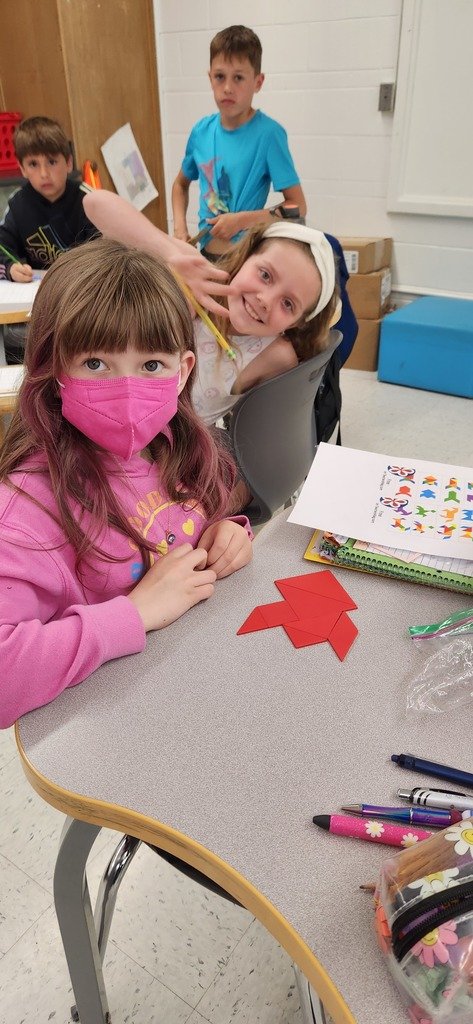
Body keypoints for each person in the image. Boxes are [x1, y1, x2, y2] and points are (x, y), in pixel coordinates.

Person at [0, 238, 252, 729]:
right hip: (114, 729)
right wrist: (132, 615)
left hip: (198, 694)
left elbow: (188, 525)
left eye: (151, 365)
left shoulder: (175, 446)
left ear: (182, 370)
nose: (127, 390)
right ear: (53, 370)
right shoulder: (27, 512)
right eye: (95, 364)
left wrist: (226, 535)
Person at [84, 191, 340, 426]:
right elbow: (95, 203)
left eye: (288, 304)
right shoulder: (198, 275)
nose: (265, 300)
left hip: (171, 448)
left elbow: (255, 435)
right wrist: (170, 255)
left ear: (297, 322)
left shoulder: (276, 356)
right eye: (265, 275)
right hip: (105, 414)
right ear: (245, 257)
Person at [171, 25, 306, 260]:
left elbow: (298, 206)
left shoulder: (269, 135)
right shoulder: (201, 132)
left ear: (258, 82)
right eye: (219, 77)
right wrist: (180, 230)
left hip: (244, 261)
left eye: (239, 78)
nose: (227, 88)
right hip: (204, 259)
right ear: (210, 78)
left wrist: (241, 221)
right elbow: (179, 186)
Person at [0, 115, 97, 363]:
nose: (44, 173)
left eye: (52, 162)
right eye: (33, 164)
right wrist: (10, 268)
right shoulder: (18, 205)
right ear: (22, 168)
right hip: (37, 307)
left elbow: (105, 252)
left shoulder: (90, 200)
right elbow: (2, 249)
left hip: (83, 300)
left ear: (68, 162)